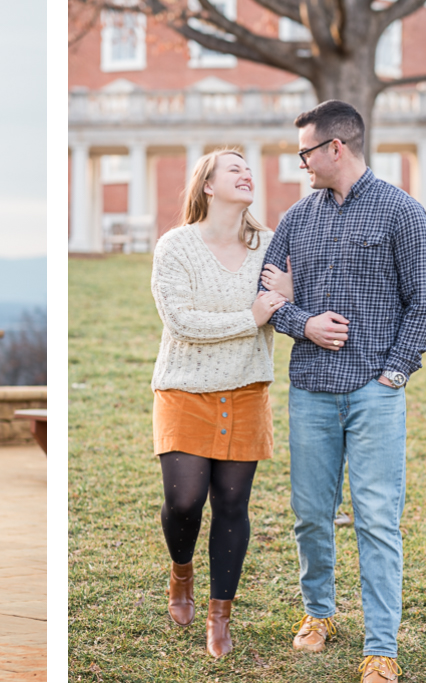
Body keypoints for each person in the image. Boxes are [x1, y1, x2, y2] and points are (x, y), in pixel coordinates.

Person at [259, 100, 426, 683]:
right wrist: (301, 322)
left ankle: (381, 647)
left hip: (374, 392)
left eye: (306, 152)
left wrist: (395, 372)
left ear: (336, 148)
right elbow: (267, 297)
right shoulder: (296, 219)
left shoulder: (401, 212)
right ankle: (318, 614)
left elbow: (424, 303)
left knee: (377, 518)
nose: (300, 163)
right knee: (311, 515)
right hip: (309, 389)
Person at [149, 149, 286, 658]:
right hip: (184, 389)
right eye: (234, 168)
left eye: (248, 167)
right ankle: (180, 573)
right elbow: (182, 322)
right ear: (208, 185)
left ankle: (219, 616)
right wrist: (250, 316)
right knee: (184, 502)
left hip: (247, 389)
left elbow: (281, 310)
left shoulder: (269, 245)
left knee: (232, 505)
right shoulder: (176, 246)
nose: (246, 172)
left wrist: (286, 299)